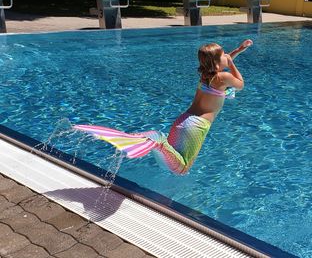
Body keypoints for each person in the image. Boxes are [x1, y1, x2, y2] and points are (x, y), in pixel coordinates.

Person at [74, 39, 253, 175]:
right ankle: (157, 139)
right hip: (196, 127)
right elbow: (240, 84)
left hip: (183, 121)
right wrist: (232, 62)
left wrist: (237, 51)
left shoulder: (207, 75)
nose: (227, 56)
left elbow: (220, 65)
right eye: (223, 55)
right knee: (182, 170)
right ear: (216, 63)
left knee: (174, 160)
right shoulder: (223, 77)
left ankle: (152, 139)